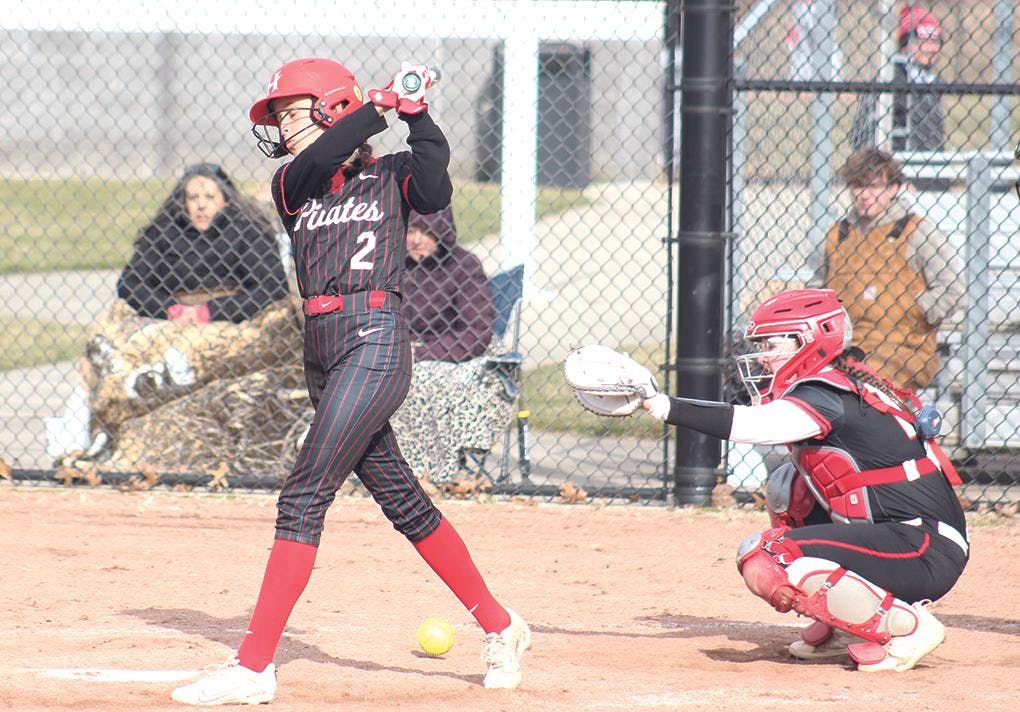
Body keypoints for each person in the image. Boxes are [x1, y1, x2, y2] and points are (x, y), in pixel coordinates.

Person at [171, 58, 530, 706]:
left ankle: (253, 668)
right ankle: (502, 626)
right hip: (323, 350)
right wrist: (378, 107)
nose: (280, 125)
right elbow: (327, 152)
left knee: (303, 496)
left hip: (376, 341)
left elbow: (436, 183)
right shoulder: (293, 185)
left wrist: (415, 114)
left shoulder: (388, 175)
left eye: (288, 111)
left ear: (330, 106)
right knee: (404, 504)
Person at [639, 288, 967, 671]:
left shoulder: (825, 393)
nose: (762, 355)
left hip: (921, 546)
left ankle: (905, 627)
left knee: (768, 556)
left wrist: (661, 405)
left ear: (811, 338)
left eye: (772, 343)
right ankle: (852, 624)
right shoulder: (838, 381)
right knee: (788, 487)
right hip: (906, 538)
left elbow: (754, 426)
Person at [47, 164, 295, 460]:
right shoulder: (166, 231)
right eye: (193, 197)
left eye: (209, 196)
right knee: (108, 340)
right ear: (182, 201)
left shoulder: (247, 230)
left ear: (225, 199)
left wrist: (211, 311)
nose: (201, 204)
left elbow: (271, 287)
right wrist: (171, 309)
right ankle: (92, 429)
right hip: (169, 316)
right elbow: (131, 283)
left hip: (229, 319)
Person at [808, 148, 963, 391]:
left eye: (874, 186)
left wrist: (915, 308)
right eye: (858, 186)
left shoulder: (916, 231)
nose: (864, 195)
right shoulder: (838, 235)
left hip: (903, 349)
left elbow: (953, 289)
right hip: (842, 348)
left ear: (892, 188)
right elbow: (817, 290)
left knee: (866, 386)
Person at [403, 206, 494, 363]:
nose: (417, 240)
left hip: (449, 353)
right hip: (396, 352)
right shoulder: (392, 264)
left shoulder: (464, 265)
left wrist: (420, 355)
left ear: (442, 231)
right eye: (411, 231)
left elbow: (477, 331)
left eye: (426, 231)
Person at [850, 5, 945, 152]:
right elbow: (860, 136)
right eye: (922, 42)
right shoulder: (888, 81)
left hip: (930, 166)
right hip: (894, 166)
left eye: (935, 42)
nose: (930, 48)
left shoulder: (933, 81)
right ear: (905, 45)